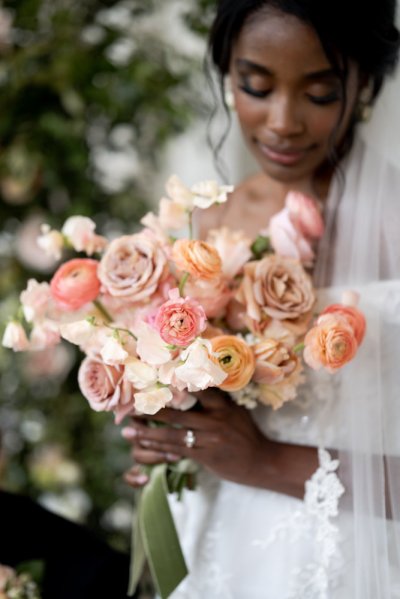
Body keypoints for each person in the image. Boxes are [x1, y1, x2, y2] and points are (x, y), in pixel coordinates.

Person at [123, 1, 400, 597]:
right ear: (228, 75)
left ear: (367, 85)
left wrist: (268, 462)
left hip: (354, 558)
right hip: (218, 544)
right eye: (256, 85)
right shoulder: (206, 224)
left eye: (320, 94)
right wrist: (167, 427)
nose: (282, 122)